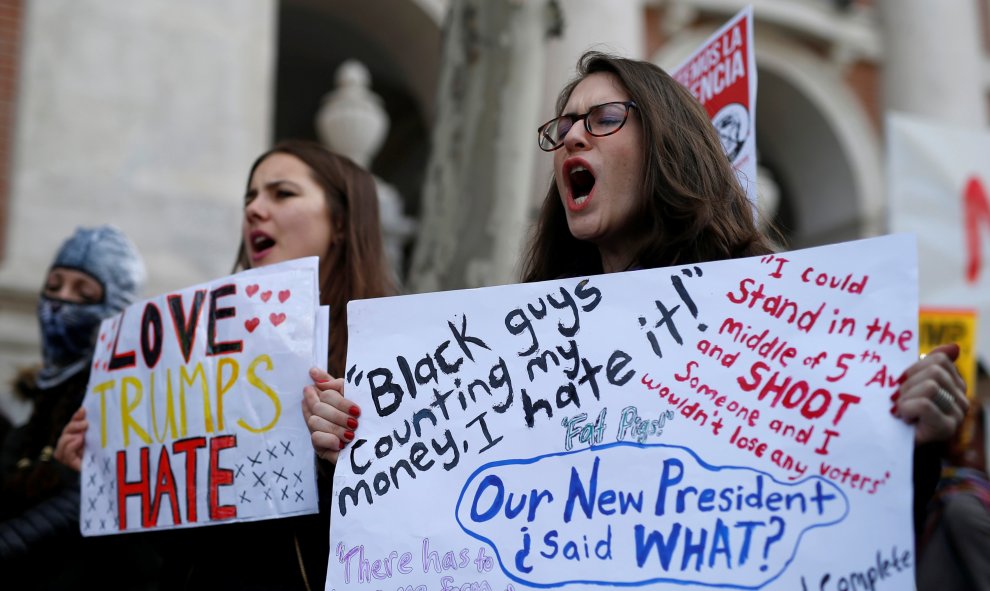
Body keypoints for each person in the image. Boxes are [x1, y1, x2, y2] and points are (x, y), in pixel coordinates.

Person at [302, 51, 969, 529]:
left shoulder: (774, 318)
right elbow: (422, 529)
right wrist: (351, 455)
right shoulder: (517, 346)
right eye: (562, 127)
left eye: (602, 119)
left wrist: (913, 439)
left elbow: (852, 526)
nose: (571, 139)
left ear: (668, 146)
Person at [55, 140, 396, 590]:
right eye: (250, 197)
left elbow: (401, 538)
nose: (255, 209)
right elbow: (179, 551)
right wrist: (110, 479)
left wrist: (341, 462)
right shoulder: (201, 354)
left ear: (340, 221)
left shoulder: (391, 354)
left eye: (282, 194)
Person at [0, 224, 157, 588]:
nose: (60, 302)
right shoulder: (30, 421)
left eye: (83, 293)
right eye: (53, 287)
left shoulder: (133, 415)